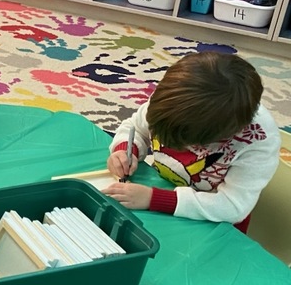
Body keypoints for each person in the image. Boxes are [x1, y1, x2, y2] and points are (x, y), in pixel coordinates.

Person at [103, 51, 280, 231]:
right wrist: (125, 150)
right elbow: (135, 127)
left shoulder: (258, 141)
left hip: (214, 223)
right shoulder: (173, 99)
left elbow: (233, 207)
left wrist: (154, 199)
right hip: (161, 191)